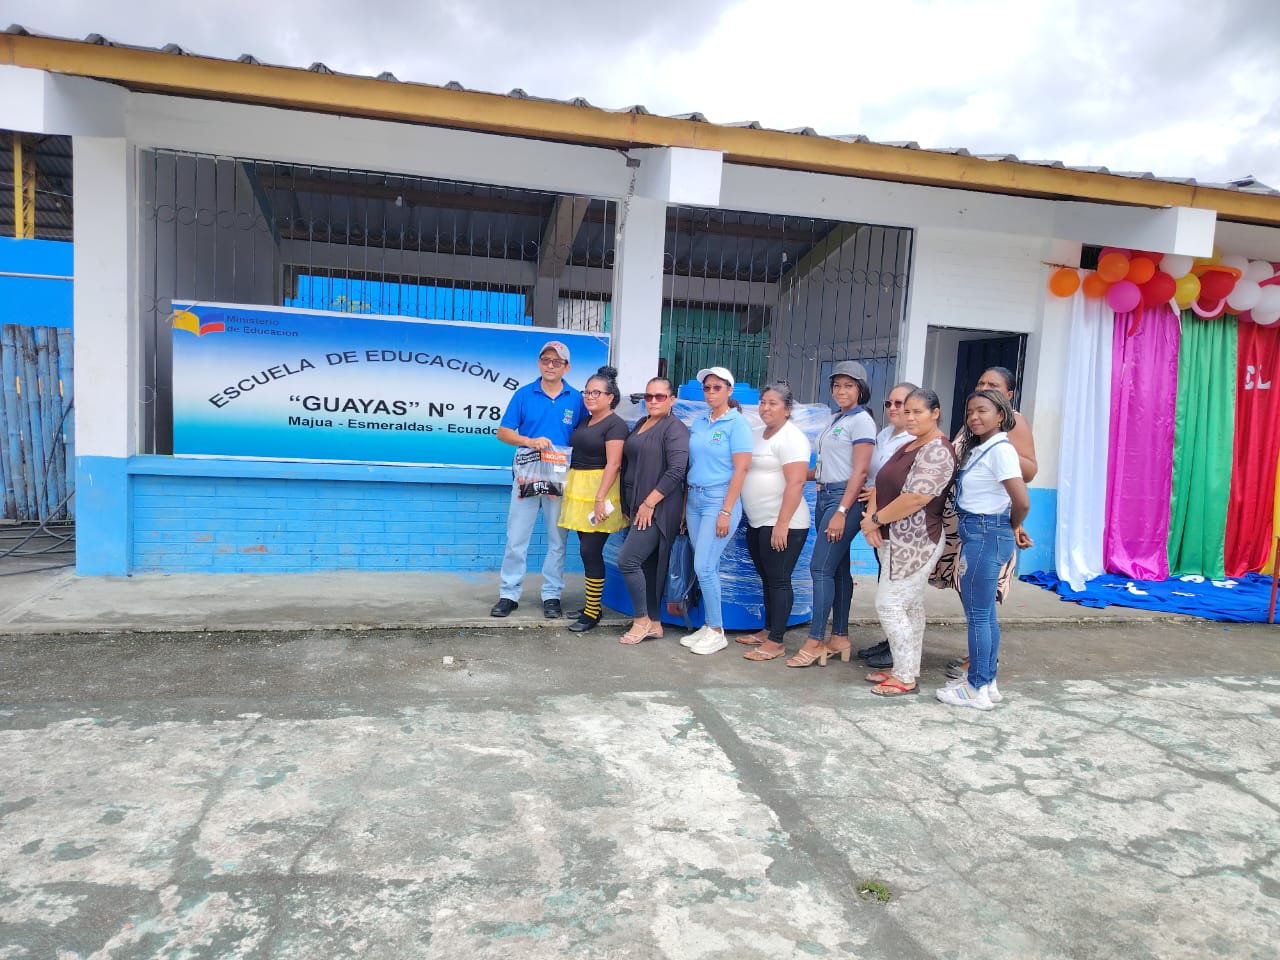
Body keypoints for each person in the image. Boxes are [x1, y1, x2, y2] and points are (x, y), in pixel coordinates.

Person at [934, 365, 1038, 677]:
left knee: (980, 604)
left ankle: (980, 672)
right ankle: (982, 665)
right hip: (965, 519)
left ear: (1008, 395)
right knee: (970, 596)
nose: (984, 388)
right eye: (981, 383)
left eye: (993, 385)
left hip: (987, 524)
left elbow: (1026, 475)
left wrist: (996, 446)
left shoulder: (1006, 430)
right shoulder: (976, 425)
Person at [859, 388, 957, 696]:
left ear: (935, 413)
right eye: (907, 411)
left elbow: (916, 497)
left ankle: (904, 677)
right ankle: (906, 668)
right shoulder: (910, 444)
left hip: (917, 541)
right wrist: (871, 520)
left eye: (918, 412)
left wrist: (875, 520)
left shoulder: (938, 450)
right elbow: (881, 484)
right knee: (910, 607)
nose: (910, 417)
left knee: (889, 604)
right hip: (892, 537)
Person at [490, 340, 587, 619]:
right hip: (527, 476)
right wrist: (529, 441)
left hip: (560, 478)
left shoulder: (576, 399)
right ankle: (509, 594)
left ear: (567, 367)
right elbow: (503, 432)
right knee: (517, 538)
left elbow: (584, 434)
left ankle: (552, 595)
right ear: (538, 363)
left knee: (558, 539)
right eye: (546, 360)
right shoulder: (524, 394)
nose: (550, 366)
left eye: (557, 362)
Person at [789, 360, 876, 668]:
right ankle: (839, 637)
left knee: (820, 568)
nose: (841, 391)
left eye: (849, 386)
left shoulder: (861, 421)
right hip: (826, 495)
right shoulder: (837, 418)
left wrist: (842, 510)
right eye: (837, 385)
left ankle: (815, 640)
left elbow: (860, 471)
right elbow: (828, 466)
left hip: (843, 499)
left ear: (861, 389)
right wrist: (796, 474)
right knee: (837, 568)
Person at [736, 382, 811, 662]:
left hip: (785, 522)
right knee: (767, 578)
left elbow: (797, 482)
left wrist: (782, 524)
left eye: (773, 403)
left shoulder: (792, 438)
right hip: (758, 521)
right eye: (763, 402)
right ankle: (767, 630)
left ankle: (777, 641)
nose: (765, 408)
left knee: (779, 580)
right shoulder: (757, 434)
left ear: (787, 409)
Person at [680, 366, 753, 656]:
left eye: (717, 388)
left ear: (729, 391)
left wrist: (726, 511)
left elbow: (742, 469)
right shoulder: (700, 421)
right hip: (695, 499)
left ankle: (717, 631)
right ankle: (710, 624)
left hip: (719, 500)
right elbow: (693, 464)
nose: (711, 393)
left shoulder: (737, 424)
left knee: (704, 566)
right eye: (707, 388)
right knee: (705, 565)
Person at [616, 377, 690, 645]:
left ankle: (641, 620)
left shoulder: (675, 429)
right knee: (648, 566)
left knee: (628, 561)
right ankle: (655, 623)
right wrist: (628, 505)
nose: (654, 401)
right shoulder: (642, 422)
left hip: (657, 509)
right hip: (638, 506)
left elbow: (676, 470)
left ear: (672, 400)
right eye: (649, 396)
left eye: (660, 396)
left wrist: (649, 503)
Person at [557, 366, 629, 633]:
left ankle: (592, 613)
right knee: (585, 550)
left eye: (596, 393)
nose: (589, 397)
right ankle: (592, 606)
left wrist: (600, 498)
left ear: (611, 397)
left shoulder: (616, 425)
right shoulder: (585, 421)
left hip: (601, 492)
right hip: (579, 490)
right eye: (586, 392)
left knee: (590, 551)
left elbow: (614, 464)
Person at [855, 381, 918, 669]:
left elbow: (902, 483)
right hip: (876, 513)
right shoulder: (884, 434)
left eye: (900, 403)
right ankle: (891, 640)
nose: (893, 408)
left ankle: (900, 652)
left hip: (897, 520)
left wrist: (876, 497)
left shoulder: (914, 440)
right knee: (886, 578)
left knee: (897, 590)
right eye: (889, 403)